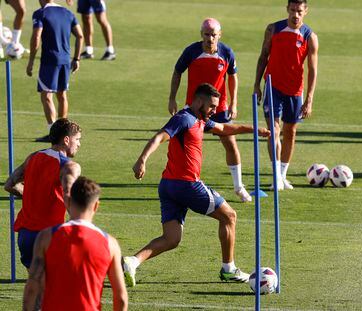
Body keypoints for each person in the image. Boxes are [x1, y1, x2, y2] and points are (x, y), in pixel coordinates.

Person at [122, 83, 270, 287]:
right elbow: (160, 137)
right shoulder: (184, 118)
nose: (214, 110)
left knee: (171, 238)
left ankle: (132, 262)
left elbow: (225, 128)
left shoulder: (202, 120)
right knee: (229, 216)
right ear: (198, 101)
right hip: (187, 185)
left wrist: (255, 129)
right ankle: (229, 269)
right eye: (211, 105)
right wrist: (142, 159)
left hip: (168, 186)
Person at [168, 18, 251, 203]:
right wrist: (172, 98)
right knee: (185, 147)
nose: (210, 38)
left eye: (213, 35)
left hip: (218, 109)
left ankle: (239, 187)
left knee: (230, 144)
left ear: (219, 35)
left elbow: (233, 77)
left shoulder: (226, 53)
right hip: (194, 109)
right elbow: (177, 72)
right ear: (201, 35)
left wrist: (234, 103)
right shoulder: (191, 51)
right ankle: (182, 181)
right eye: (207, 34)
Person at [22, 176, 128, 311]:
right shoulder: (110, 244)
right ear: (96, 206)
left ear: (69, 201)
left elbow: (32, 287)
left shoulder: (46, 237)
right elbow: (121, 298)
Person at [253, 0, 318, 190]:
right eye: (292, 10)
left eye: (299, 11)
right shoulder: (273, 29)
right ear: (287, 9)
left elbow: (313, 69)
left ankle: (282, 175)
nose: (295, 15)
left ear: (305, 11)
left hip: (295, 91)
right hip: (273, 87)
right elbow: (264, 56)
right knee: (274, 131)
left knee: (291, 131)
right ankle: (276, 176)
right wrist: (257, 84)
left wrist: (309, 99)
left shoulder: (309, 36)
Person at [4, 118, 82, 271]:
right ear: (66, 140)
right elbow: (69, 197)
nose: (79, 144)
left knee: (38, 289)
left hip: (25, 236)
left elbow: (9, 184)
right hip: (49, 236)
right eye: (77, 139)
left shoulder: (34, 157)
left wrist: (32, 195)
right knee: (59, 287)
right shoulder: (68, 166)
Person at [26, 0, 83, 143]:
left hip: (49, 61)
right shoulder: (68, 13)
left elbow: (36, 36)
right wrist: (76, 58)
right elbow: (80, 36)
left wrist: (31, 60)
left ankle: (53, 133)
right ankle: (63, 132)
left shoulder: (40, 13)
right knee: (62, 95)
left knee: (46, 96)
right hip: (65, 60)